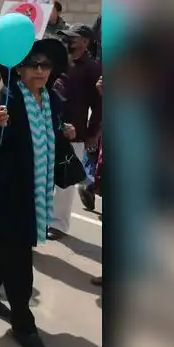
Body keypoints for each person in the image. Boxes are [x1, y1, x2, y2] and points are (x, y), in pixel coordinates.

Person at [0, 38, 75, 347]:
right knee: (19, 259)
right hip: (8, 193)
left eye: (46, 65)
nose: (42, 71)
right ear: (19, 68)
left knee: (11, 248)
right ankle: (24, 324)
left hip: (35, 189)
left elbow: (51, 135)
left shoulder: (52, 100)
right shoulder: (7, 98)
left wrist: (65, 132)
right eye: (34, 65)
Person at [51, 23, 102, 238]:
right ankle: (43, 217)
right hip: (52, 124)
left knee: (65, 180)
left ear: (85, 41)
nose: (68, 40)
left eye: (73, 37)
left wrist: (92, 133)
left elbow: (99, 105)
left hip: (75, 132)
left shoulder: (93, 68)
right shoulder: (62, 61)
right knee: (46, 178)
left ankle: (58, 224)